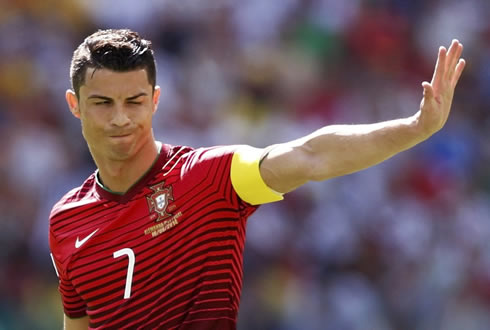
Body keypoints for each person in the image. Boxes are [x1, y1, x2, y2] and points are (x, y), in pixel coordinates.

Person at [49, 28, 465, 330]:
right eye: (103, 103)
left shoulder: (205, 176)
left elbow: (311, 155)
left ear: (155, 101)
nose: (120, 117)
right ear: (75, 105)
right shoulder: (64, 221)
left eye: (134, 101)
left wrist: (415, 128)